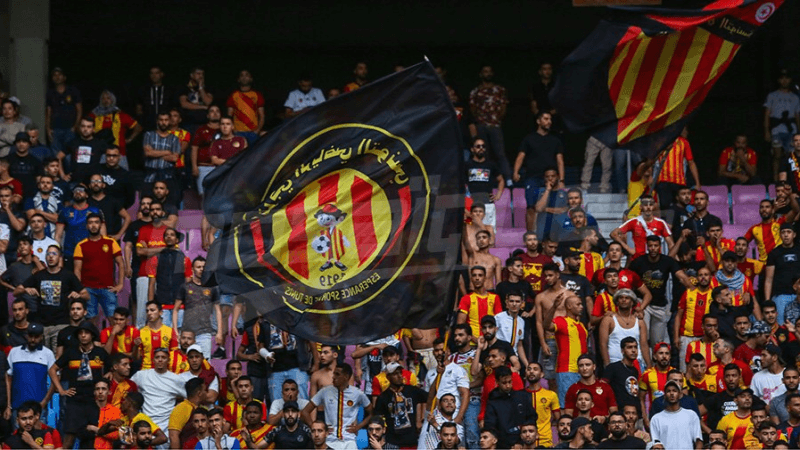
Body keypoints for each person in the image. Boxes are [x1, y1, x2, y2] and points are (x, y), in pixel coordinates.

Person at [16, 245, 88, 351]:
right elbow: (16, 291)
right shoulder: (39, 275)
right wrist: (26, 289)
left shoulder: (68, 275)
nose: (50, 257)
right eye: (48, 254)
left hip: (61, 324)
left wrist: (77, 295)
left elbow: (86, 295)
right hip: (42, 325)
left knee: (57, 358)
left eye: (54, 254)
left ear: (59, 257)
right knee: (42, 356)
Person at [47, 321, 107, 449]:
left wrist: (109, 375)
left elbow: (112, 367)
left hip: (93, 401)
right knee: (68, 440)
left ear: (92, 335)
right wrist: (61, 390)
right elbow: (52, 370)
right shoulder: (70, 352)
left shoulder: (100, 353)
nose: (83, 335)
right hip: (74, 401)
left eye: (86, 333)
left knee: (92, 439)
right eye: (80, 333)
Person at [629, 235, 692, 347]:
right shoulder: (638, 262)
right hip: (643, 303)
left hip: (660, 305)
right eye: (650, 246)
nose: (653, 248)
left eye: (655, 245)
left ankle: (653, 363)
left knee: (657, 341)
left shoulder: (667, 261)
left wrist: (693, 289)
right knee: (643, 337)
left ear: (660, 247)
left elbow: (681, 276)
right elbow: (628, 279)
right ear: (647, 247)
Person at [302, 364, 372, 450]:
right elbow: (305, 412)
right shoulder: (325, 391)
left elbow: (372, 413)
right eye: (334, 373)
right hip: (330, 440)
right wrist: (315, 427)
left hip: (349, 440)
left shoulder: (357, 393)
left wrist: (358, 426)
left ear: (346, 377)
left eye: (337, 374)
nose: (333, 377)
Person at [514, 112, 564, 231]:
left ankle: (552, 238)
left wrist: (561, 179)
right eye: (546, 119)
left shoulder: (555, 140)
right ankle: (530, 236)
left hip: (551, 179)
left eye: (550, 119)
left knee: (554, 207)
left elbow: (560, 161)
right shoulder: (529, 139)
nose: (549, 122)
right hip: (533, 178)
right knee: (531, 207)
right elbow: (521, 156)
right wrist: (515, 172)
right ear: (538, 121)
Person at [73, 212, 123, 326]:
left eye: (96, 222)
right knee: (91, 321)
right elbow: (77, 270)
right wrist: (80, 289)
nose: (93, 225)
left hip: (108, 288)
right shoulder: (81, 245)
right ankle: (94, 343)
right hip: (88, 289)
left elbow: (121, 263)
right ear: (86, 226)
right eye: (90, 223)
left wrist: (120, 284)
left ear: (101, 225)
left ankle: (114, 344)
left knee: (114, 321)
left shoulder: (111, 242)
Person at [542, 291, 588, 406]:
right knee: (566, 404)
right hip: (566, 370)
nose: (581, 307)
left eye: (581, 304)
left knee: (580, 404)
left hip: (582, 371)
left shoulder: (581, 325)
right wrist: (554, 307)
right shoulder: (561, 321)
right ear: (569, 306)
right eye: (578, 304)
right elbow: (546, 325)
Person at [5, 323, 55, 421]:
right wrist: (8, 406)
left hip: (38, 410)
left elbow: (56, 379)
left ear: (41, 337)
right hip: (17, 408)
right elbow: (8, 378)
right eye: (30, 336)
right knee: (18, 436)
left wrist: (44, 402)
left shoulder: (48, 354)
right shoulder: (14, 352)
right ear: (26, 335)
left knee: (39, 436)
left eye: (36, 337)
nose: (33, 340)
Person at [54, 183, 103, 270]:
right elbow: (58, 236)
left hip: (91, 253)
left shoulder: (95, 210)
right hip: (69, 253)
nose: (78, 192)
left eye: (81, 191)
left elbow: (103, 234)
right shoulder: (65, 211)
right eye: (75, 191)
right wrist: (58, 254)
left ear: (87, 195)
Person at [598, 289, 650, 368]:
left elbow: (644, 345)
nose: (624, 300)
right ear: (617, 302)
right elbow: (603, 344)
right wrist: (607, 364)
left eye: (627, 298)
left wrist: (649, 365)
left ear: (632, 302)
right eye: (621, 298)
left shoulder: (640, 322)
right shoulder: (609, 320)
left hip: (636, 363)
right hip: (614, 362)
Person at [611, 195, 674, 260]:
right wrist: (628, 249)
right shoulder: (634, 221)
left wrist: (667, 260)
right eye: (645, 205)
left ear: (654, 207)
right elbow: (613, 234)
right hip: (639, 260)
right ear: (641, 207)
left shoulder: (661, 223)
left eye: (651, 205)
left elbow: (671, 244)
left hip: (656, 260)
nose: (648, 207)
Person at [424, 337, 469, 424]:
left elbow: (465, 394)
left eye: (442, 349)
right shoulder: (430, 373)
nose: (439, 353)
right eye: (436, 350)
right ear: (433, 353)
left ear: (448, 351)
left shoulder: (458, 370)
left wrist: (459, 417)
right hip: (433, 415)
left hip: (452, 414)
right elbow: (427, 397)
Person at [654, 128, 701, 209]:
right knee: (665, 208)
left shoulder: (683, 142)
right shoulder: (659, 141)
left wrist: (697, 182)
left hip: (679, 182)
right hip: (663, 181)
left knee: (680, 207)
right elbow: (652, 159)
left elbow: (691, 162)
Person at [649, 380, 702, 450]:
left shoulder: (691, 415)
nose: (671, 393)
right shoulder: (656, 419)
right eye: (668, 391)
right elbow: (656, 444)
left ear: (680, 394)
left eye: (674, 391)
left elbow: (699, 440)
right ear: (664, 395)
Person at [767, 69, 800, 180]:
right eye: (782, 78)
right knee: (777, 155)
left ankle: (793, 177)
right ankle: (777, 179)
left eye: (786, 78)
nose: (784, 81)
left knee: (792, 155)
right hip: (777, 129)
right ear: (779, 80)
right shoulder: (772, 95)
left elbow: (797, 115)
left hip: (791, 130)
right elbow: (767, 114)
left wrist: (798, 132)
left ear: (790, 80)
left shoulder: (795, 97)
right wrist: (766, 130)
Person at [143, 112, 182, 206]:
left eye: (166, 120)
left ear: (169, 122)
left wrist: (155, 153)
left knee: (170, 204)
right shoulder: (148, 135)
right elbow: (148, 153)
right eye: (161, 120)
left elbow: (174, 158)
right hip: (150, 176)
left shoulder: (174, 139)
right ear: (157, 121)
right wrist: (167, 152)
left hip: (167, 176)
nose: (163, 122)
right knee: (146, 203)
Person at [464, 137, 504, 229]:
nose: (481, 148)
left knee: (489, 230)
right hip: (470, 204)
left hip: (488, 204)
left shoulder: (491, 164)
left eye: (483, 146)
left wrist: (499, 194)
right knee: (469, 228)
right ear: (472, 149)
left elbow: (501, 180)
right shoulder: (466, 165)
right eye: (478, 146)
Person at [765, 223, 800, 324]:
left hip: (798, 294)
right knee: (781, 326)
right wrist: (768, 301)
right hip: (781, 296)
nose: (786, 235)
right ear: (780, 235)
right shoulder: (774, 253)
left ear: (794, 234)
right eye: (783, 232)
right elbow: (768, 279)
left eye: (788, 232)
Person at [564, 354, 617, 419]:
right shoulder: (573, 388)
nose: (584, 368)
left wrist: (604, 418)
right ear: (578, 369)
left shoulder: (605, 387)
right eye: (581, 365)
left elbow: (614, 411)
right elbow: (568, 413)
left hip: (602, 426)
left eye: (588, 365)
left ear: (594, 367)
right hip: (580, 427)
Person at [457, 266, 501, 339]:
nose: (477, 278)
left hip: (491, 341)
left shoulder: (495, 298)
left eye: (480, 275)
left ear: (485, 278)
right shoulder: (466, 299)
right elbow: (460, 324)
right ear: (471, 279)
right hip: (472, 343)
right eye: (474, 275)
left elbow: (499, 322)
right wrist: (475, 340)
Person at [45, 67, 82, 154]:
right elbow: (48, 112)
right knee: (55, 155)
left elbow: (79, 110)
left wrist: (76, 126)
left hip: (70, 128)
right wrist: (48, 128)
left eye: (59, 75)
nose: (57, 77)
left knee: (69, 155)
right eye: (55, 75)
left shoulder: (72, 91)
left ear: (64, 77)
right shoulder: (50, 93)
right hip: (55, 129)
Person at [603, 337, 642, 413]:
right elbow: (603, 388)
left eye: (635, 347)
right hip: (619, 413)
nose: (633, 350)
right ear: (622, 351)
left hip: (634, 413)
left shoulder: (635, 371)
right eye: (630, 347)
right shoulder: (613, 367)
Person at [226, 70, 265, 143]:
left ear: (251, 79)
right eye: (242, 75)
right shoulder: (233, 95)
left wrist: (257, 130)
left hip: (253, 132)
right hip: (238, 133)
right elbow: (229, 116)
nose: (244, 77)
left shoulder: (257, 95)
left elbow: (262, 116)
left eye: (247, 75)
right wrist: (233, 131)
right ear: (238, 79)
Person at [638, 342, 672, 425]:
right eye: (661, 353)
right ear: (654, 356)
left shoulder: (676, 374)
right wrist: (645, 419)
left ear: (670, 356)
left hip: (673, 416)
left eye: (667, 353)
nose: (664, 356)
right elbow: (640, 399)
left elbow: (684, 396)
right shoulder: (647, 374)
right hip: (654, 417)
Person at [190, 105, 221, 194]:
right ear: (207, 115)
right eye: (212, 111)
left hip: (221, 167)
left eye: (217, 111)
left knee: (219, 194)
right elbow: (194, 148)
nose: (215, 113)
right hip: (204, 167)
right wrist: (194, 166)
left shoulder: (225, 129)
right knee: (203, 194)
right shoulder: (201, 130)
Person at [135, 65, 173, 131]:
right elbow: (139, 107)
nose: (154, 75)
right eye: (152, 73)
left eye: (156, 73)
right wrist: (142, 120)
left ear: (162, 74)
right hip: (148, 125)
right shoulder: (144, 90)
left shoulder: (169, 90)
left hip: (166, 125)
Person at [88, 378, 122, 450]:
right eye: (97, 389)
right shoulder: (88, 408)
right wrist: (107, 430)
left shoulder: (115, 410)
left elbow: (116, 435)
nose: (100, 392)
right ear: (94, 392)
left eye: (103, 389)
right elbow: (82, 431)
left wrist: (94, 429)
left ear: (109, 392)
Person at [178, 67, 214, 133]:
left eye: (202, 74)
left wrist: (201, 88)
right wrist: (203, 107)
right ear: (191, 75)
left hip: (204, 123)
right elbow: (184, 104)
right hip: (188, 123)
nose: (201, 76)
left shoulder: (207, 87)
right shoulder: (185, 87)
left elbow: (208, 102)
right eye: (198, 74)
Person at [8, 132, 43, 198]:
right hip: (11, 195)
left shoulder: (36, 161)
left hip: (30, 195)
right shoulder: (7, 160)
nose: (21, 144)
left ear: (29, 144)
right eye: (18, 142)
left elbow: (39, 180)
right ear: (15, 144)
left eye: (24, 141)